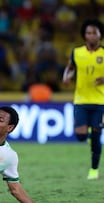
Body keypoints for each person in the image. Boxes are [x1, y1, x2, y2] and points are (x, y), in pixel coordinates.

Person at [62, 19, 104, 180]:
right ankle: (87, 136)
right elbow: (70, 68)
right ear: (84, 35)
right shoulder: (77, 52)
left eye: (94, 32)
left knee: (96, 136)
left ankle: (94, 170)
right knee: (80, 135)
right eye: (88, 33)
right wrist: (67, 77)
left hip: (100, 102)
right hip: (81, 100)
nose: (92, 36)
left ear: (100, 34)